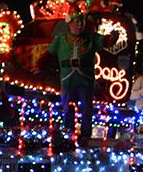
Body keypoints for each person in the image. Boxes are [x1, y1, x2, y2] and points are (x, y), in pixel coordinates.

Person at [45, 12, 110, 140]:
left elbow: (106, 41)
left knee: (86, 109)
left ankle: (85, 136)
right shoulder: (60, 38)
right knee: (68, 108)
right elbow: (49, 54)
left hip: (85, 79)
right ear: (69, 23)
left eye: (82, 21)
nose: (80, 24)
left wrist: (112, 37)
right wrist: (40, 66)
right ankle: (68, 135)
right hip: (67, 79)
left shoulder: (90, 37)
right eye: (77, 21)